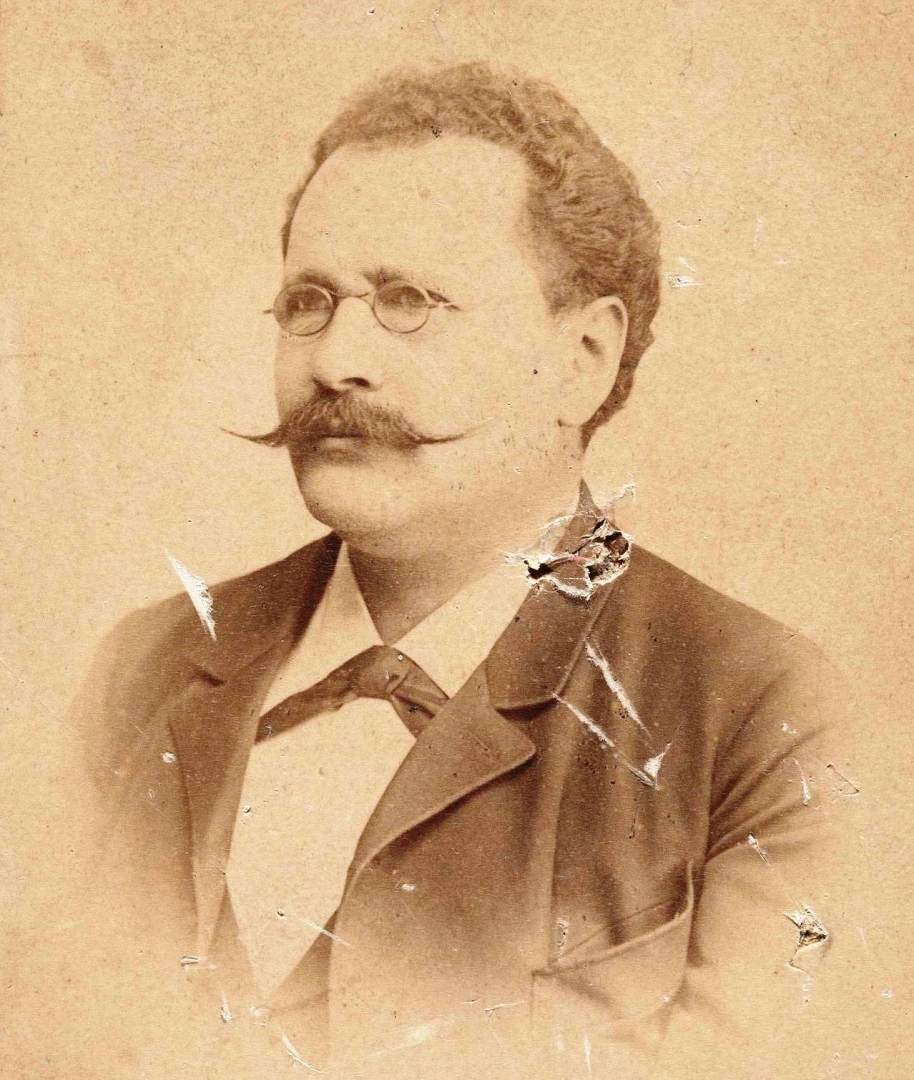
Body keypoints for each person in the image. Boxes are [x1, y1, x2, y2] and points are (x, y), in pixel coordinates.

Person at [76, 62, 849, 1079]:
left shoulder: (764, 715)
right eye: (309, 302)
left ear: (582, 357)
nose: (335, 360)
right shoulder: (141, 667)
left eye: (409, 301)